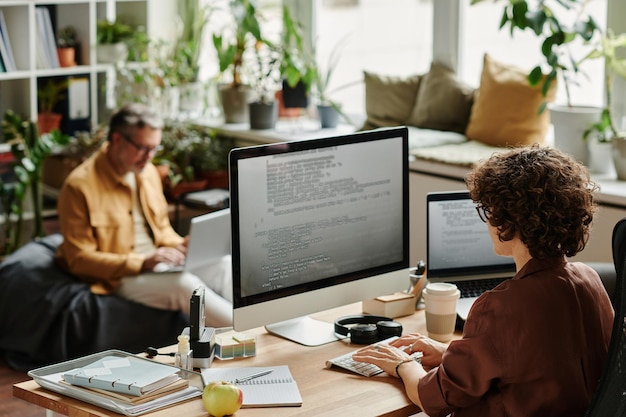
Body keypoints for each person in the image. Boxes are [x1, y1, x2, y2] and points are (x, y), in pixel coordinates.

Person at [353, 145, 615, 417]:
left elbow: (436, 398)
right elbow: (540, 366)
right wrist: (449, 353)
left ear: (506, 222)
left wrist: (402, 365)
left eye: (489, 211)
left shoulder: (502, 306)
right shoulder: (590, 280)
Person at [55, 103, 232, 327]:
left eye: (154, 149)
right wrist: (142, 261)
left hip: (158, 264)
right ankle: (249, 336)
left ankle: (263, 324)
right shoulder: (79, 186)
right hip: (120, 276)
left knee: (223, 264)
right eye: (143, 148)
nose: (149, 157)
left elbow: (162, 229)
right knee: (184, 286)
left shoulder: (147, 173)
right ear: (117, 139)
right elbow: (79, 260)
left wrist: (181, 246)